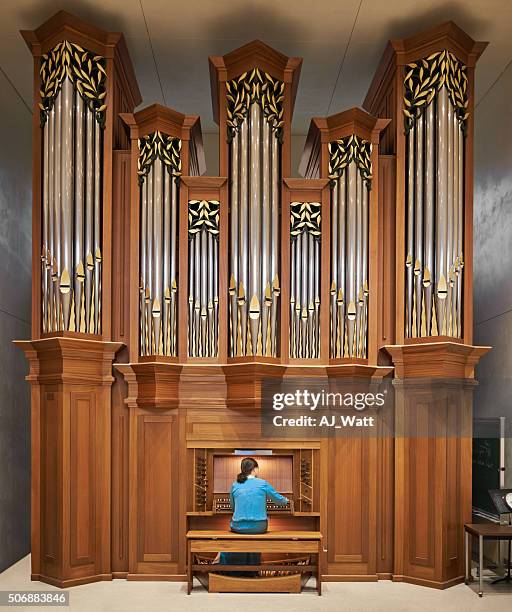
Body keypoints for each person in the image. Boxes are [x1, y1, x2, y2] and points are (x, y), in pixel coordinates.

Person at [216, 457, 289, 575]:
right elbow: (279, 501)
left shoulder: (235, 485)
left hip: (238, 526)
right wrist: (287, 501)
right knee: (254, 535)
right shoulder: (262, 483)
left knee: (238, 534)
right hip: (259, 527)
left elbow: (233, 507)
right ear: (255, 469)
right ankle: (252, 570)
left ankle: (235, 571)